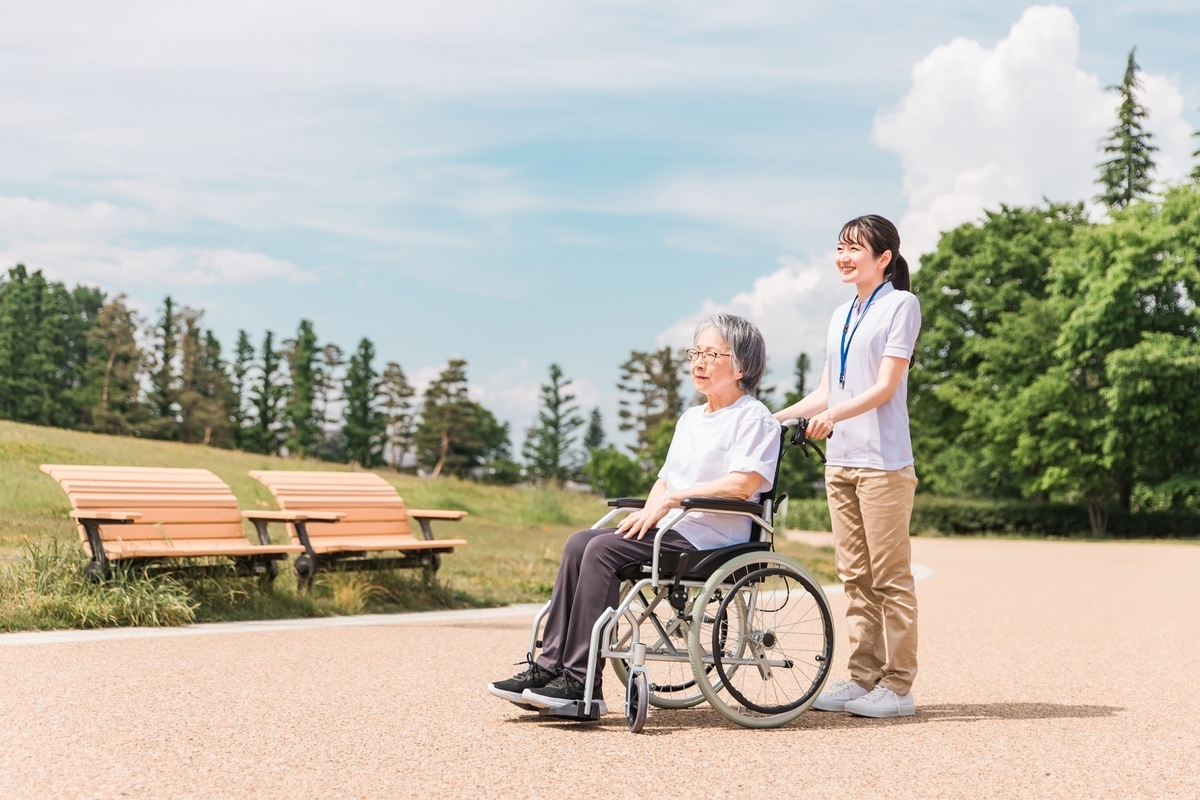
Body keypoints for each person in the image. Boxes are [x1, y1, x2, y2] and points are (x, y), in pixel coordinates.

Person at [488, 314, 781, 713]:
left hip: (712, 538)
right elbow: (664, 480)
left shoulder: (754, 417)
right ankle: (549, 666)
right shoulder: (691, 418)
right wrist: (650, 509)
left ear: (742, 365)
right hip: (674, 527)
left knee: (602, 551)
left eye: (712, 354)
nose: (698, 363)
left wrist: (672, 501)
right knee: (580, 542)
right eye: (696, 353)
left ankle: (580, 683)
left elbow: (743, 485)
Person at [774, 214, 922, 719]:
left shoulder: (901, 305)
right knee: (855, 577)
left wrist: (833, 415)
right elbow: (824, 392)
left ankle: (898, 687)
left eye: (855, 248)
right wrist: (769, 418)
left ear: (884, 258)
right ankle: (863, 679)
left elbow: (884, 388)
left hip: (883, 465)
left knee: (890, 578)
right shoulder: (841, 315)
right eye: (840, 246)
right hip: (840, 463)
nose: (844, 255)